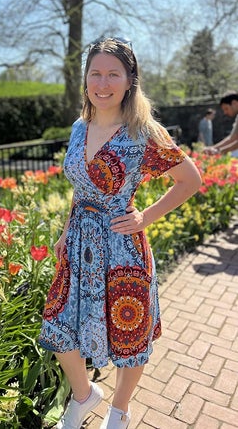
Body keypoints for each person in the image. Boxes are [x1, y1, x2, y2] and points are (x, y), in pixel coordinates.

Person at [39, 37, 202, 429]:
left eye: (113, 73)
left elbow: (190, 179)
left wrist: (146, 216)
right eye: (95, 73)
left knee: (130, 335)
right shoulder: (81, 127)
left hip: (122, 247)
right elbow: (80, 188)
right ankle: (84, 396)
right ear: (86, 80)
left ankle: (119, 411)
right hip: (79, 243)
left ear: (130, 80)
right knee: (58, 326)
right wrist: (65, 233)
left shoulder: (142, 132)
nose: (103, 82)